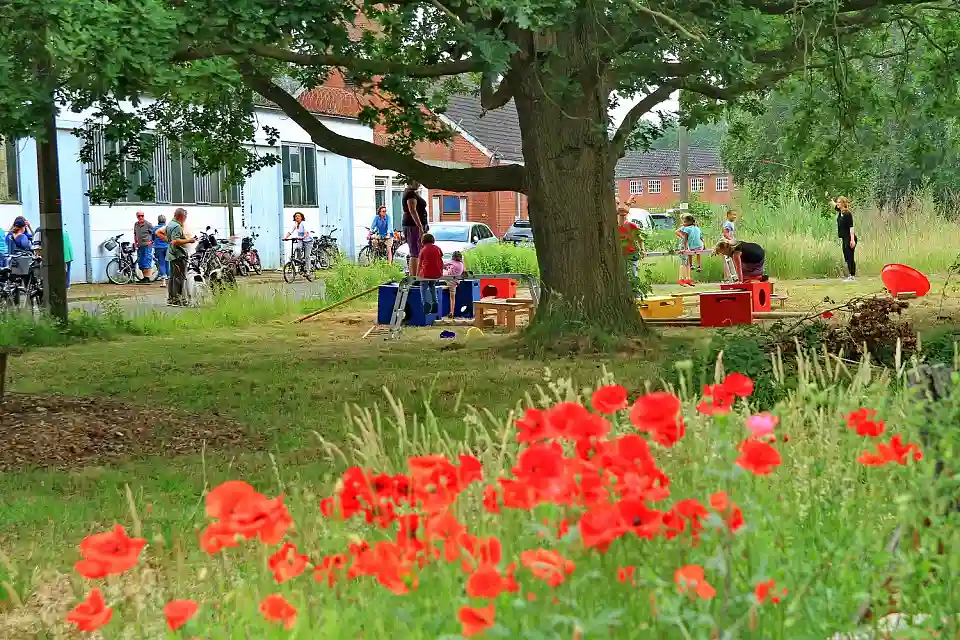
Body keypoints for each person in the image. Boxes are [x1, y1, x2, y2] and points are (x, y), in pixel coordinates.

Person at [155, 208, 195, 306]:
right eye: (185, 217)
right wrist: (189, 240)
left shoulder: (170, 224)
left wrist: (168, 240)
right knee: (179, 278)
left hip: (172, 254)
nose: (185, 219)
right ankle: (178, 299)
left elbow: (171, 240)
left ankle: (171, 298)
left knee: (173, 278)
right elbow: (176, 241)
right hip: (178, 254)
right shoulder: (177, 226)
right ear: (182, 216)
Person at [402, 182, 429, 276]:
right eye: (416, 182)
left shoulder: (412, 193)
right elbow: (412, 210)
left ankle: (417, 275)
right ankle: (414, 276)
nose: (419, 184)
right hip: (413, 226)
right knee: (415, 251)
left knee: (418, 250)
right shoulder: (410, 194)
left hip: (415, 225)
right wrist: (420, 226)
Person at [418, 232, 444, 316]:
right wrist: (441, 271)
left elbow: (419, 264)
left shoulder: (423, 250)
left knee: (423, 287)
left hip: (426, 273)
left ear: (423, 241)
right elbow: (440, 259)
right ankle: (435, 302)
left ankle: (425, 303)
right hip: (437, 273)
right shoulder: (438, 248)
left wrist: (417, 275)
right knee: (432, 286)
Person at [831, 196, 856, 282]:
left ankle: (852, 276)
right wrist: (830, 199)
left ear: (843, 204)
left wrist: (852, 240)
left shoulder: (847, 214)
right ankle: (850, 275)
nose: (837, 203)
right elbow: (834, 205)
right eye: (837, 202)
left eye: (839, 202)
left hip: (849, 237)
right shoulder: (840, 211)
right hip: (844, 238)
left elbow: (851, 227)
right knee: (846, 257)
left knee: (850, 256)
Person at [676, 214, 704, 287]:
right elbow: (678, 233)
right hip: (684, 246)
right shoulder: (685, 228)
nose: (683, 223)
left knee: (688, 263)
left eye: (685, 221)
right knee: (683, 263)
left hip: (688, 246)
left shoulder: (693, 227)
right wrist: (683, 238)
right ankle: (681, 279)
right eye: (683, 221)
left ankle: (688, 279)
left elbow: (699, 236)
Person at [443, 250, 466, 317]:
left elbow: (442, 265)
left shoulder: (452, 262)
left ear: (453, 256)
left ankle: (451, 312)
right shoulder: (462, 264)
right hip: (455, 282)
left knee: (442, 271)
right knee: (452, 298)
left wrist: (446, 267)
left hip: (448, 280)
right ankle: (452, 312)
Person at [133, 210, 154, 283]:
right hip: (140, 245)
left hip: (147, 245)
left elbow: (154, 233)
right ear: (137, 216)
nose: (141, 217)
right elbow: (135, 234)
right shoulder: (136, 224)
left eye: (142, 215)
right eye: (139, 216)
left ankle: (147, 278)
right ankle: (144, 277)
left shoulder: (148, 224)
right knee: (141, 261)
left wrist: (152, 241)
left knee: (146, 260)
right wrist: (135, 242)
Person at [721, 209, 738, 281]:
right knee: (726, 260)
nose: (735, 216)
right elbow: (725, 233)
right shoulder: (727, 223)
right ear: (728, 215)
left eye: (735, 215)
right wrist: (731, 240)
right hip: (727, 242)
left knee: (731, 260)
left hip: (729, 242)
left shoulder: (731, 223)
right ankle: (727, 277)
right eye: (733, 215)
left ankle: (732, 276)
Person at [153, 214, 169, 283]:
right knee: (167, 261)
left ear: (158, 220)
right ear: (165, 220)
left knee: (161, 262)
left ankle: (163, 276)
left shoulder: (155, 228)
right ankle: (169, 275)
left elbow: (152, 238)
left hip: (158, 247)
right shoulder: (168, 228)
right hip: (167, 247)